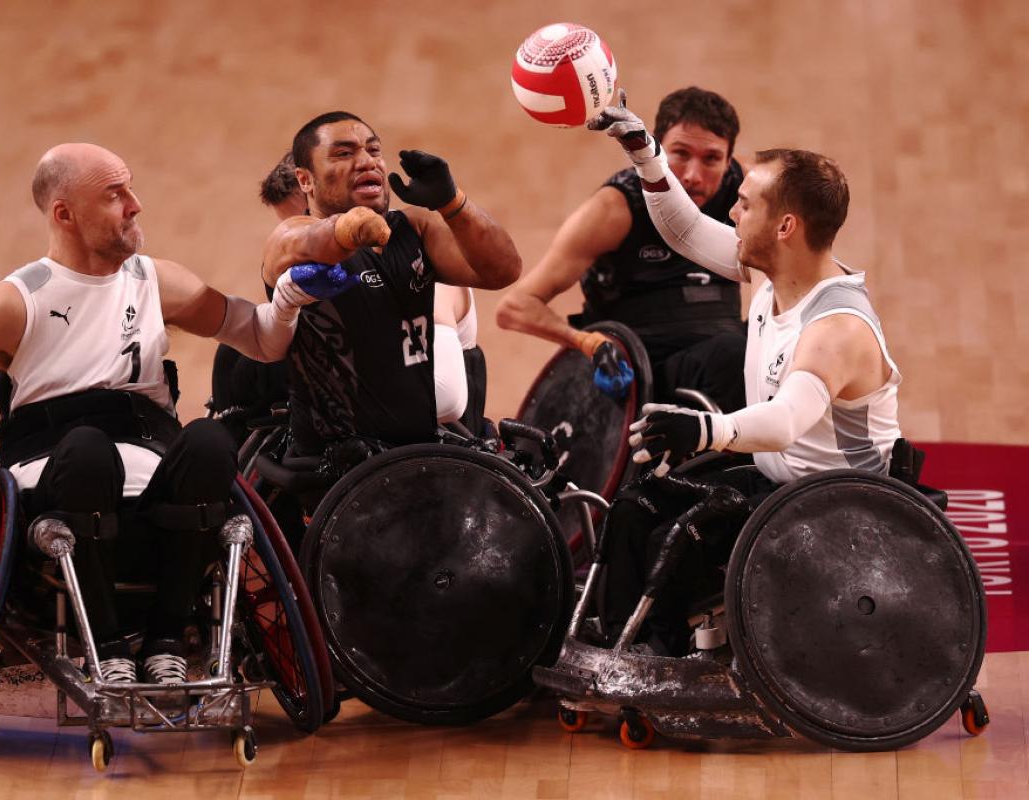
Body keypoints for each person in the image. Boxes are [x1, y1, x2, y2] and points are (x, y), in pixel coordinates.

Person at [0, 143, 354, 685]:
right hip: (58, 474)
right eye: (114, 194)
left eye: (130, 188)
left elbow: (262, 339)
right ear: (64, 214)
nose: (135, 204)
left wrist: (287, 299)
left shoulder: (155, 280)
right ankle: (108, 643)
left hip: (152, 479)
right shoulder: (15, 302)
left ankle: (168, 638)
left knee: (214, 440)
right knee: (89, 450)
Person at [586, 93, 902, 654]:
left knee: (675, 539)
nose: (731, 209)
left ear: (784, 226)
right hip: (775, 487)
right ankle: (619, 651)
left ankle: (657, 660)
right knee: (636, 508)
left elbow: (786, 421)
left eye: (745, 204)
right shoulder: (773, 274)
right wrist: (643, 152)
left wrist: (705, 431)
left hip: (836, 508)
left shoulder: (837, 328)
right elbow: (682, 232)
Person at [261, 112, 521, 458]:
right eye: (344, 153)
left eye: (373, 150)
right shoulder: (290, 235)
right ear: (305, 180)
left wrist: (453, 202)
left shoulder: (415, 230)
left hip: (416, 456)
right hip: (333, 469)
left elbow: (504, 270)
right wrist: (356, 223)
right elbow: (314, 238)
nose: (366, 161)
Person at [496, 86, 748, 412]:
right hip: (641, 372)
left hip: (725, 357)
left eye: (712, 159)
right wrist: (587, 342)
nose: (693, 176)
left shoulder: (750, 193)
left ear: (729, 161)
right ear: (655, 146)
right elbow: (515, 307)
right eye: (681, 153)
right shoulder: (614, 209)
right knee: (734, 355)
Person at [213, 152, 487, 433]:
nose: (299, 243)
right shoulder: (318, 279)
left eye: (308, 224)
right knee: (238, 356)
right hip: (354, 447)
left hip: (435, 451)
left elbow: (446, 397)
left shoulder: (417, 258)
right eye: (289, 232)